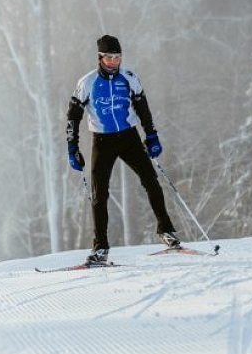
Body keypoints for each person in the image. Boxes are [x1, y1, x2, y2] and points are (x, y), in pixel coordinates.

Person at [66, 34, 180, 264]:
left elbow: (143, 109)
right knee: (100, 195)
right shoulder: (87, 83)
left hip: (129, 137)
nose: (114, 62)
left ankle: (166, 232)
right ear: (100, 58)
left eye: (117, 58)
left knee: (151, 180)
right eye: (109, 58)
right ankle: (100, 249)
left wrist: (151, 136)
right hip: (102, 141)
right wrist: (73, 148)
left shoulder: (129, 78)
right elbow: (73, 116)